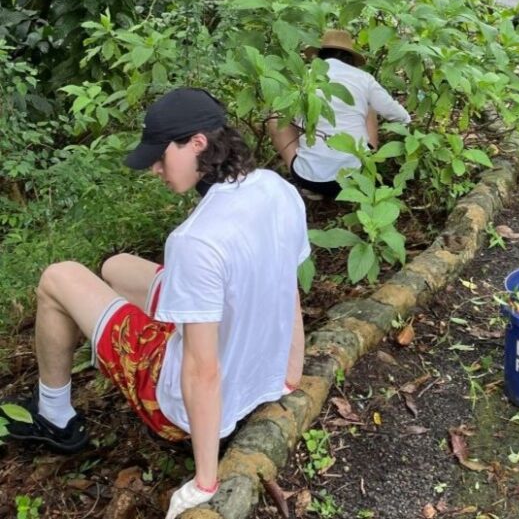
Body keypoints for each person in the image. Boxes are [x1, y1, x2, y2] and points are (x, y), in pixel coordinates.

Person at [0, 88, 309, 519]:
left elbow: (202, 371)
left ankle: (54, 416)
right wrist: (288, 378)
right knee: (116, 266)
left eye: (161, 157)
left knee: (57, 278)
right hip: (258, 372)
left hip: (178, 406)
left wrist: (206, 481)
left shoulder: (194, 240)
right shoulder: (277, 190)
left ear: (198, 143)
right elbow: (285, 289)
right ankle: (107, 319)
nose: (155, 170)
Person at [268, 29, 411, 198]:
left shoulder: (305, 79)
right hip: (356, 175)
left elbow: (283, 116)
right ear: (351, 58)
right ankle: (362, 171)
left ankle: (308, 174)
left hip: (308, 178)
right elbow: (400, 117)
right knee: (369, 104)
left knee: (276, 118)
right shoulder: (363, 78)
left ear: (319, 56)